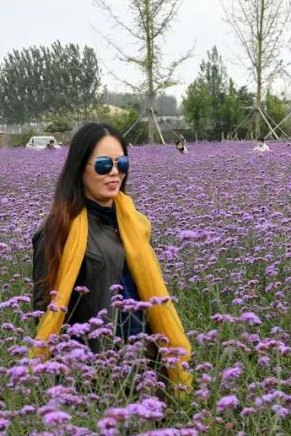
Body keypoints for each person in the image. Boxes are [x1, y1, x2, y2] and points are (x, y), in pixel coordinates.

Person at [31, 122, 193, 392]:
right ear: (80, 167)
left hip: (146, 364)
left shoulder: (135, 224)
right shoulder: (59, 229)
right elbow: (42, 309)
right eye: (104, 165)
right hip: (91, 373)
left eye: (122, 163)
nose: (115, 173)